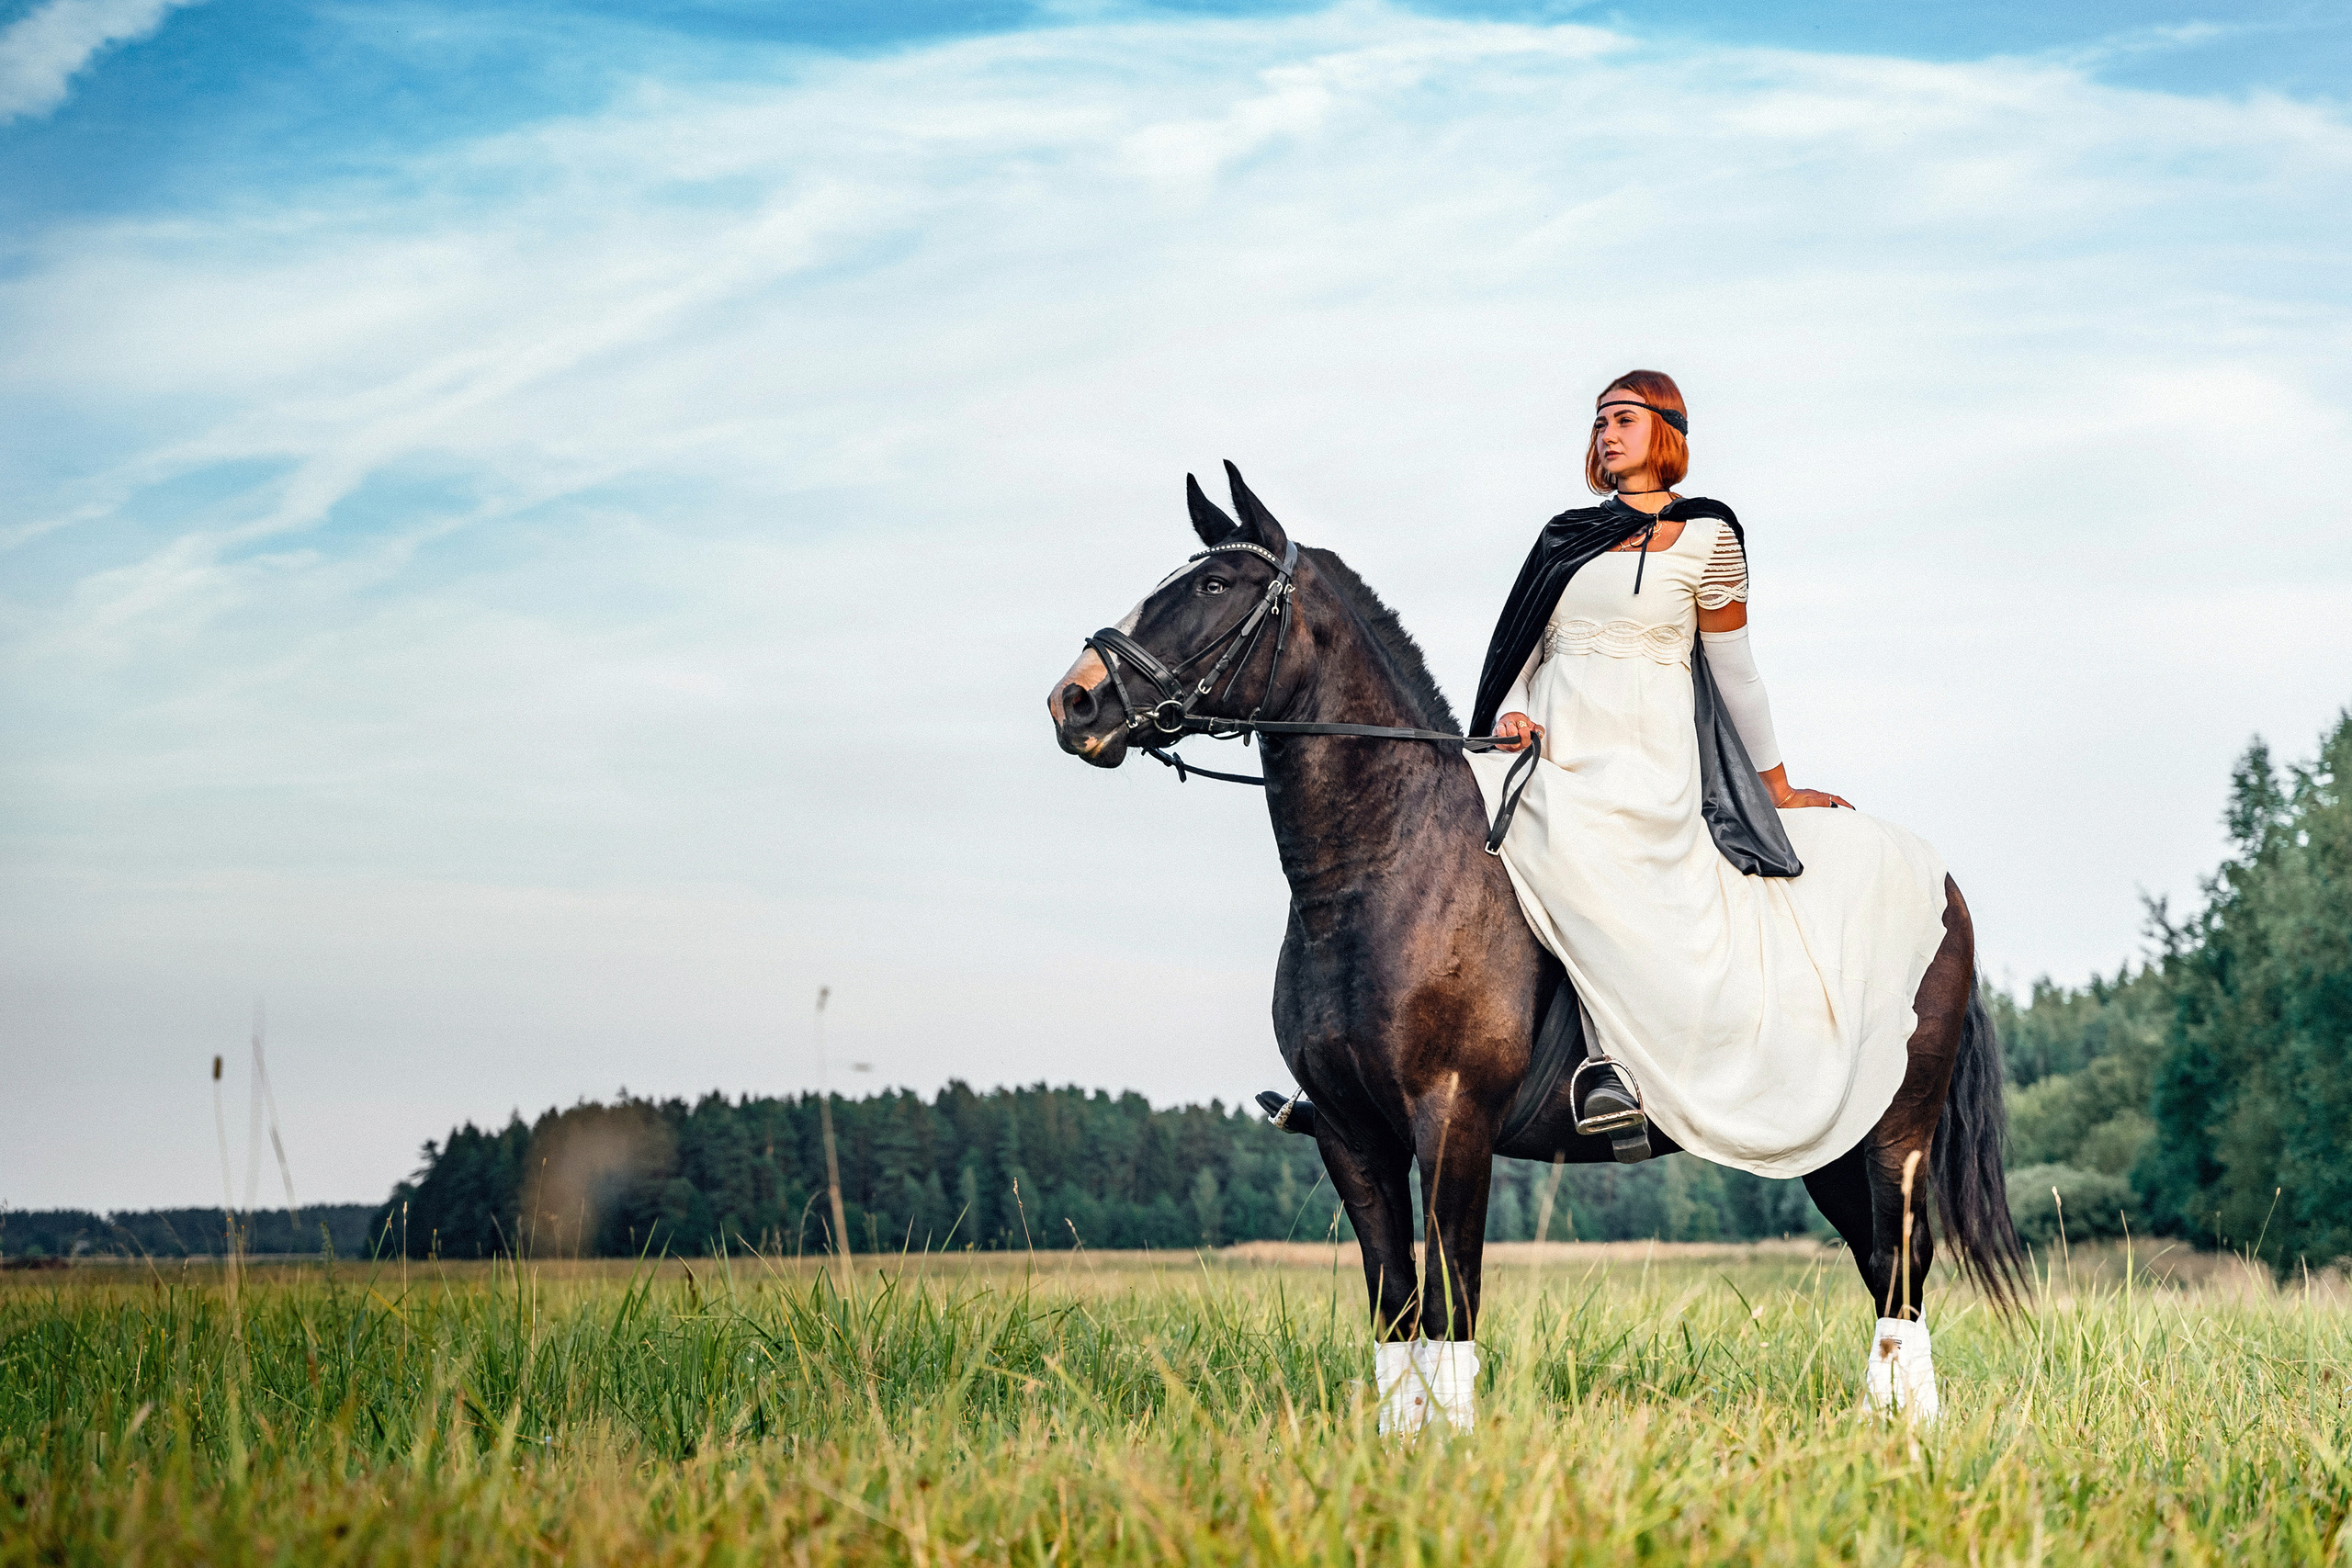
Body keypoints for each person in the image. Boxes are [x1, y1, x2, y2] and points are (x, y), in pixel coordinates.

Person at [1464, 371, 1951, 1178]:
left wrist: (1778, 786)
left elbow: (1737, 673)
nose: (1606, 436)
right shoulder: (1563, 537)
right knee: (1441, 828)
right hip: (1554, 748)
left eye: (1623, 420)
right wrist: (1512, 710)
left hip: (1650, 762)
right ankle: (1379, 1068)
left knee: (1615, 876)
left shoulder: (1708, 537)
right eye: (1598, 424)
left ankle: (1611, 1070)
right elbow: (1523, 648)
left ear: (1666, 431)